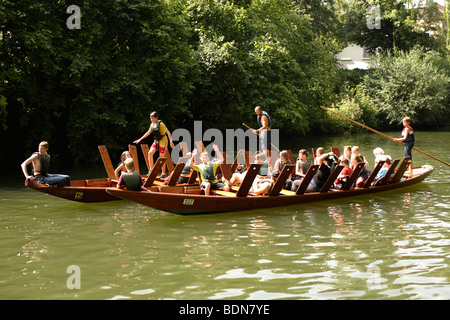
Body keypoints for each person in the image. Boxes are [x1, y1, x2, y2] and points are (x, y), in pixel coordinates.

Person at [133, 111, 175, 178]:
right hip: (156, 140)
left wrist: (171, 142)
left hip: (163, 140)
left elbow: (168, 132)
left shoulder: (161, 124)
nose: (151, 120)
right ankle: (151, 170)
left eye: (153, 118)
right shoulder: (152, 124)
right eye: (150, 118)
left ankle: (163, 173)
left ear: (156, 117)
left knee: (161, 157)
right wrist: (139, 139)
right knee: (150, 153)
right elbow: (148, 132)